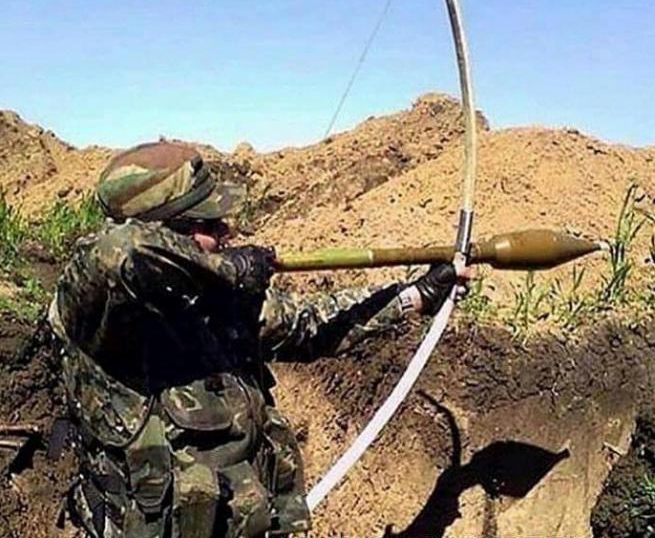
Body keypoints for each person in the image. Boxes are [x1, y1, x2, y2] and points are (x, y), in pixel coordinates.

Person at [48, 141, 471, 538]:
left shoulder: (216, 300)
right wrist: (230, 268)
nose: (226, 230)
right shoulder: (99, 314)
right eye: (207, 223)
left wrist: (414, 296)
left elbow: (308, 324)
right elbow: (116, 249)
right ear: (167, 231)